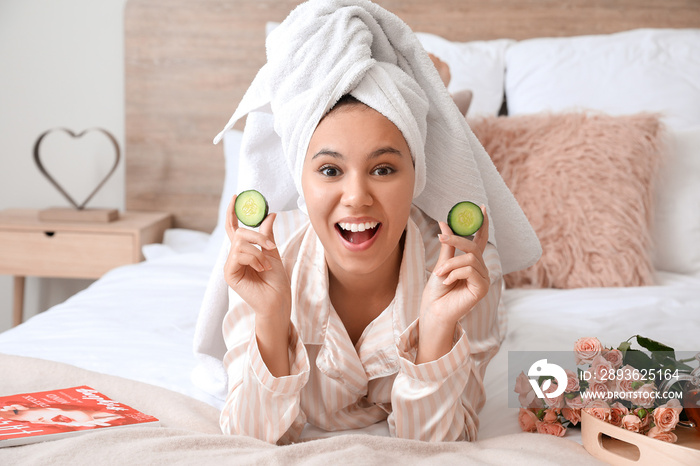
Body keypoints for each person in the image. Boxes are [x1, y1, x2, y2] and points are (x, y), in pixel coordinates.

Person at [201, 0, 541, 446]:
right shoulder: (264, 259)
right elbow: (249, 440)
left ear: (417, 177)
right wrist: (270, 316)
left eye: (383, 169)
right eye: (329, 170)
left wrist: (437, 328)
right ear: (299, 181)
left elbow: (439, 445)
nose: (357, 197)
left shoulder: (466, 269)